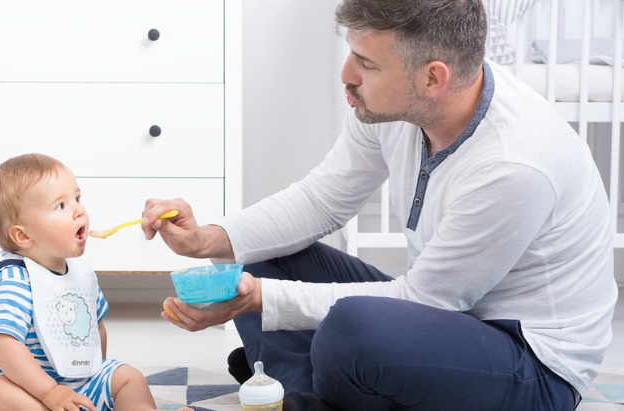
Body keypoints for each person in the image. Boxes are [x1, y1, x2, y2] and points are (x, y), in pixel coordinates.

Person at [141, 0, 620, 410]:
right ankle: (305, 393)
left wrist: (260, 299)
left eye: (367, 64)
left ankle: (303, 384)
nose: (346, 75)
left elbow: (425, 301)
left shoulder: (514, 164)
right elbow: (320, 201)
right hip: (447, 317)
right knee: (256, 255)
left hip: (532, 365)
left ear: (433, 78)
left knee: (350, 332)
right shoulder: (395, 107)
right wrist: (205, 240)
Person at [0, 153, 192, 411]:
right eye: (60, 206)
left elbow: (96, 329)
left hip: (77, 383)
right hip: (22, 385)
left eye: (77, 198)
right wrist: (50, 391)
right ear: (23, 235)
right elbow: (3, 344)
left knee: (127, 377)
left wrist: (92, 373)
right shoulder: (13, 279)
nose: (79, 211)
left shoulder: (81, 274)